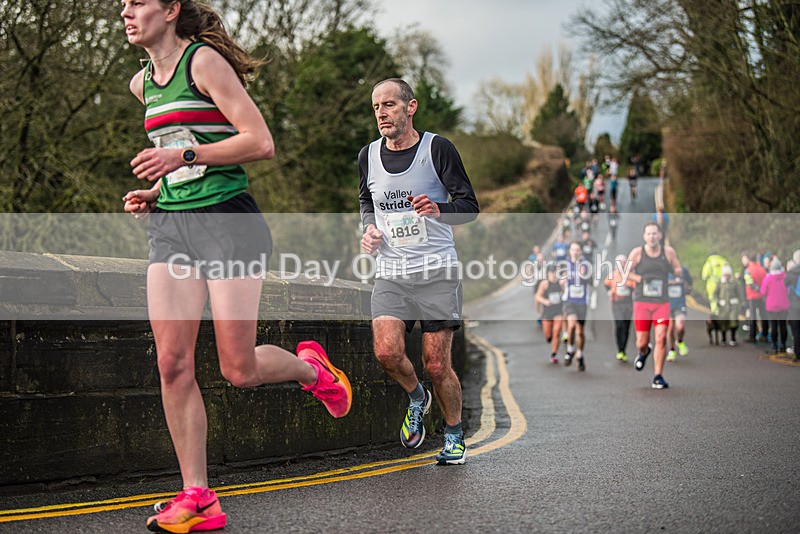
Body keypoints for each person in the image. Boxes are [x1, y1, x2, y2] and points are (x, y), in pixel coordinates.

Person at [119, 1, 353, 531]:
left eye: (137, 2)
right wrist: (158, 190)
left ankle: (313, 370)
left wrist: (179, 160)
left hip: (228, 223)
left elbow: (259, 141)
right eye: (123, 4)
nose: (126, 12)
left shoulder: (201, 63)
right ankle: (198, 497)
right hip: (173, 226)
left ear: (171, 9)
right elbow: (185, 152)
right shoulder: (143, 85)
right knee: (171, 363)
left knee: (238, 369)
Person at [359, 78, 479, 466]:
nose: (381, 113)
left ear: (411, 107)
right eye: (376, 106)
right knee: (386, 352)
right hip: (392, 271)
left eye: (389, 105)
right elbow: (366, 200)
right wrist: (369, 230)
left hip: (437, 271)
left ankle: (455, 434)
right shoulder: (368, 156)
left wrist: (439, 209)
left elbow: (470, 206)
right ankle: (417, 397)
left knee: (436, 363)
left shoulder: (437, 149)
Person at [626, 222, 683, 389]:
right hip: (642, 302)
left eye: (654, 234)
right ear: (644, 236)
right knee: (641, 342)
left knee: (661, 338)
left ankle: (658, 375)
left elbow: (678, 268)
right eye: (648, 234)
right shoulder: (637, 253)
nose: (652, 237)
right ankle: (644, 351)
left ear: (660, 235)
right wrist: (640, 279)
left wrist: (676, 272)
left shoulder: (668, 252)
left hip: (661, 303)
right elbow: (626, 273)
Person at [561, 242, 592, 371]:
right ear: (570, 251)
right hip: (570, 300)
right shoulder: (565, 265)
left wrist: (585, 274)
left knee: (580, 331)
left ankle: (580, 353)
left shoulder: (586, 265)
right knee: (571, 325)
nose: (575, 252)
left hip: (582, 302)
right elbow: (560, 280)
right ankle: (570, 349)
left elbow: (592, 281)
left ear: (581, 252)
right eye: (573, 249)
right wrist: (562, 280)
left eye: (577, 250)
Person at [605, 254, 636, 362]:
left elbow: (634, 287)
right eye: (619, 263)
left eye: (623, 263)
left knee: (626, 327)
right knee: (619, 324)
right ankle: (619, 350)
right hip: (616, 303)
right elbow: (606, 284)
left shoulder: (630, 276)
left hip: (627, 304)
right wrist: (609, 292)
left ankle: (623, 349)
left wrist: (633, 293)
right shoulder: (612, 275)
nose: (621, 265)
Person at [535, 265, 565, 364]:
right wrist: (545, 301)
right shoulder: (544, 284)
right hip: (547, 312)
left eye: (555, 273)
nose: (553, 275)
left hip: (558, 310)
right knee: (548, 335)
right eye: (551, 273)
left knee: (557, 332)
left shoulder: (560, 283)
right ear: (548, 274)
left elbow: (566, 293)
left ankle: (554, 354)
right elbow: (538, 296)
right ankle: (550, 338)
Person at [760, 258, 789, 354]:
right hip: (784, 305)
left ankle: (774, 345)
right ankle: (783, 344)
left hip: (771, 306)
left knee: (773, 326)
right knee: (783, 325)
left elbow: (762, 291)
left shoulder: (768, 278)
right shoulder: (785, 277)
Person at [666, 265, 693, 360]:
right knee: (670, 329)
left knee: (680, 326)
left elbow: (690, 281)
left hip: (679, 304)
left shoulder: (683, 270)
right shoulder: (663, 270)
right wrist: (670, 283)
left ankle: (680, 341)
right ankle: (672, 350)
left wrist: (688, 289)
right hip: (667, 305)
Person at [712, 264, 743, 346]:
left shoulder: (735, 282)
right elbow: (715, 293)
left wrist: (741, 304)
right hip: (723, 307)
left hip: (733, 306)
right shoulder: (720, 282)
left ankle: (733, 339)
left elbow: (739, 294)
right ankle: (723, 339)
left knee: (733, 322)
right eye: (725, 274)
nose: (726, 276)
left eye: (728, 274)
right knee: (723, 323)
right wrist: (717, 301)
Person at [741, 252, 768, 343]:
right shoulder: (762, 269)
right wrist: (762, 290)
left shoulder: (748, 270)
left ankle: (752, 336)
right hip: (762, 296)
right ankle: (764, 334)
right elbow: (765, 281)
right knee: (763, 315)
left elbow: (749, 283)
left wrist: (757, 289)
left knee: (753, 316)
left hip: (752, 296)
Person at [785, 251, 800, 358]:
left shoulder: (791, 273)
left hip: (795, 306)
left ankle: (797, 352)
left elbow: (784, 285)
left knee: (796, 330)